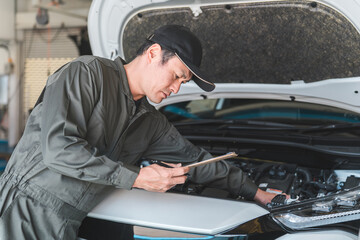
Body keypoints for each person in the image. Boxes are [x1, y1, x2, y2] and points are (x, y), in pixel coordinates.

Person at [0, 25, 278, 240]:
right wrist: (137, 177)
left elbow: (195, 160)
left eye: (184, 82)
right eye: (177, 75)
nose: (177, 89)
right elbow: (59, 149)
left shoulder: (149, 122)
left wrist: (256, 193)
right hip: (25, 207)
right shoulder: (86, 74)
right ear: (153, 53)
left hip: (73, 218)